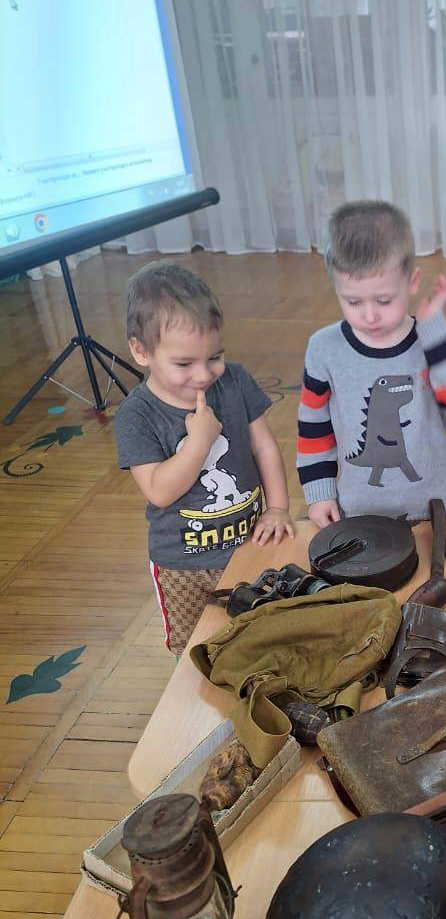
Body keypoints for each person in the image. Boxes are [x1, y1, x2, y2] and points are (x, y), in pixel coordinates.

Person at [115, 262, 294, 655]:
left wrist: (278, 507)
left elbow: (264, 446)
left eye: (215, 357)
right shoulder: (136, 415)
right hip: (183, 565)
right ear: (140, 351)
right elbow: (159, 491)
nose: (203, 374)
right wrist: (199, 442)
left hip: (252, 546)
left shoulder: (235, 380)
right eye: (184, 364)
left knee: (264, 635)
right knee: (196, 651)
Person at [297, 201, 446, 526]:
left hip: (434, 510)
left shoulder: (432, 341)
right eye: (353, 301)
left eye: (384, 300)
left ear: (412, 282)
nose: (369, 315)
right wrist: (319, 492)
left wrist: (436, 330)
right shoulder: (323, 348)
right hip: (358, 511)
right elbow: (313, 426)